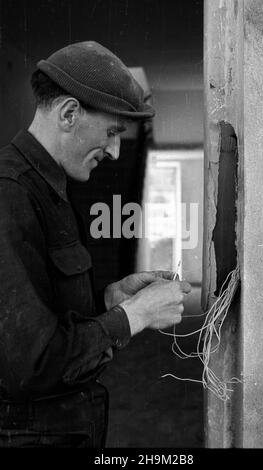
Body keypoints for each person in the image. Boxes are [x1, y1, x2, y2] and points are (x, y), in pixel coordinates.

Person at [0, 41, 192, 448]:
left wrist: (110, 300)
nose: (115, 150)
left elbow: (46, 313)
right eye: (111, 132)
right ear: (69, 113)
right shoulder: (10, 194)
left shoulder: (49, 188)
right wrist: (133, 316)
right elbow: (34, 364)